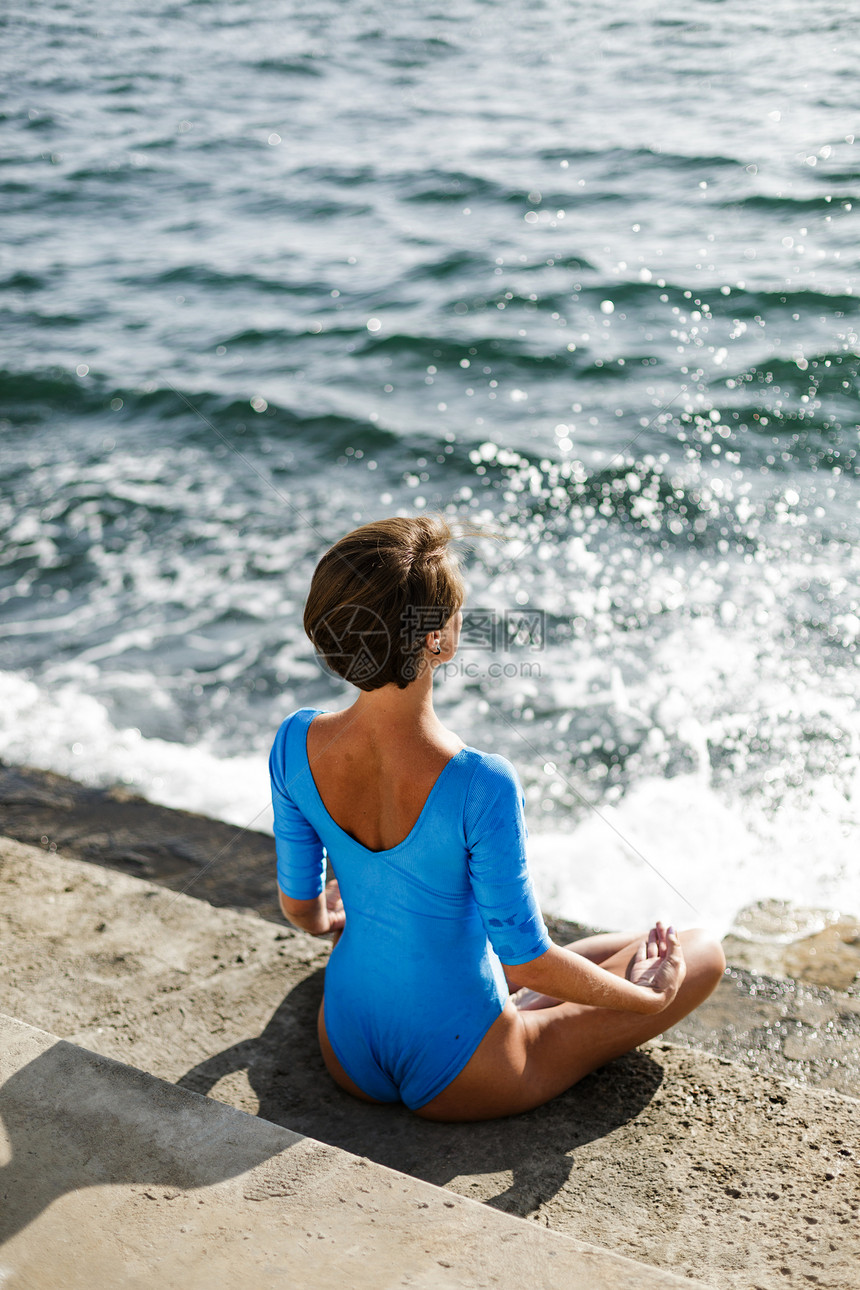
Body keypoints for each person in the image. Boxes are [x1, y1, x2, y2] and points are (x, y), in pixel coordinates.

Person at [269, 516, 725, 1122]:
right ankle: (563, 999)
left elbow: (303, 911)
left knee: (618, 946)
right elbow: (526, 961)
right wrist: (646, 999)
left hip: (347, 1048)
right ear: (439, 641)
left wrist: (342, 911)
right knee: (701, 950)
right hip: (465, 1070)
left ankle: (528, 998)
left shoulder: (295, 742)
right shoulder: (480, 782)